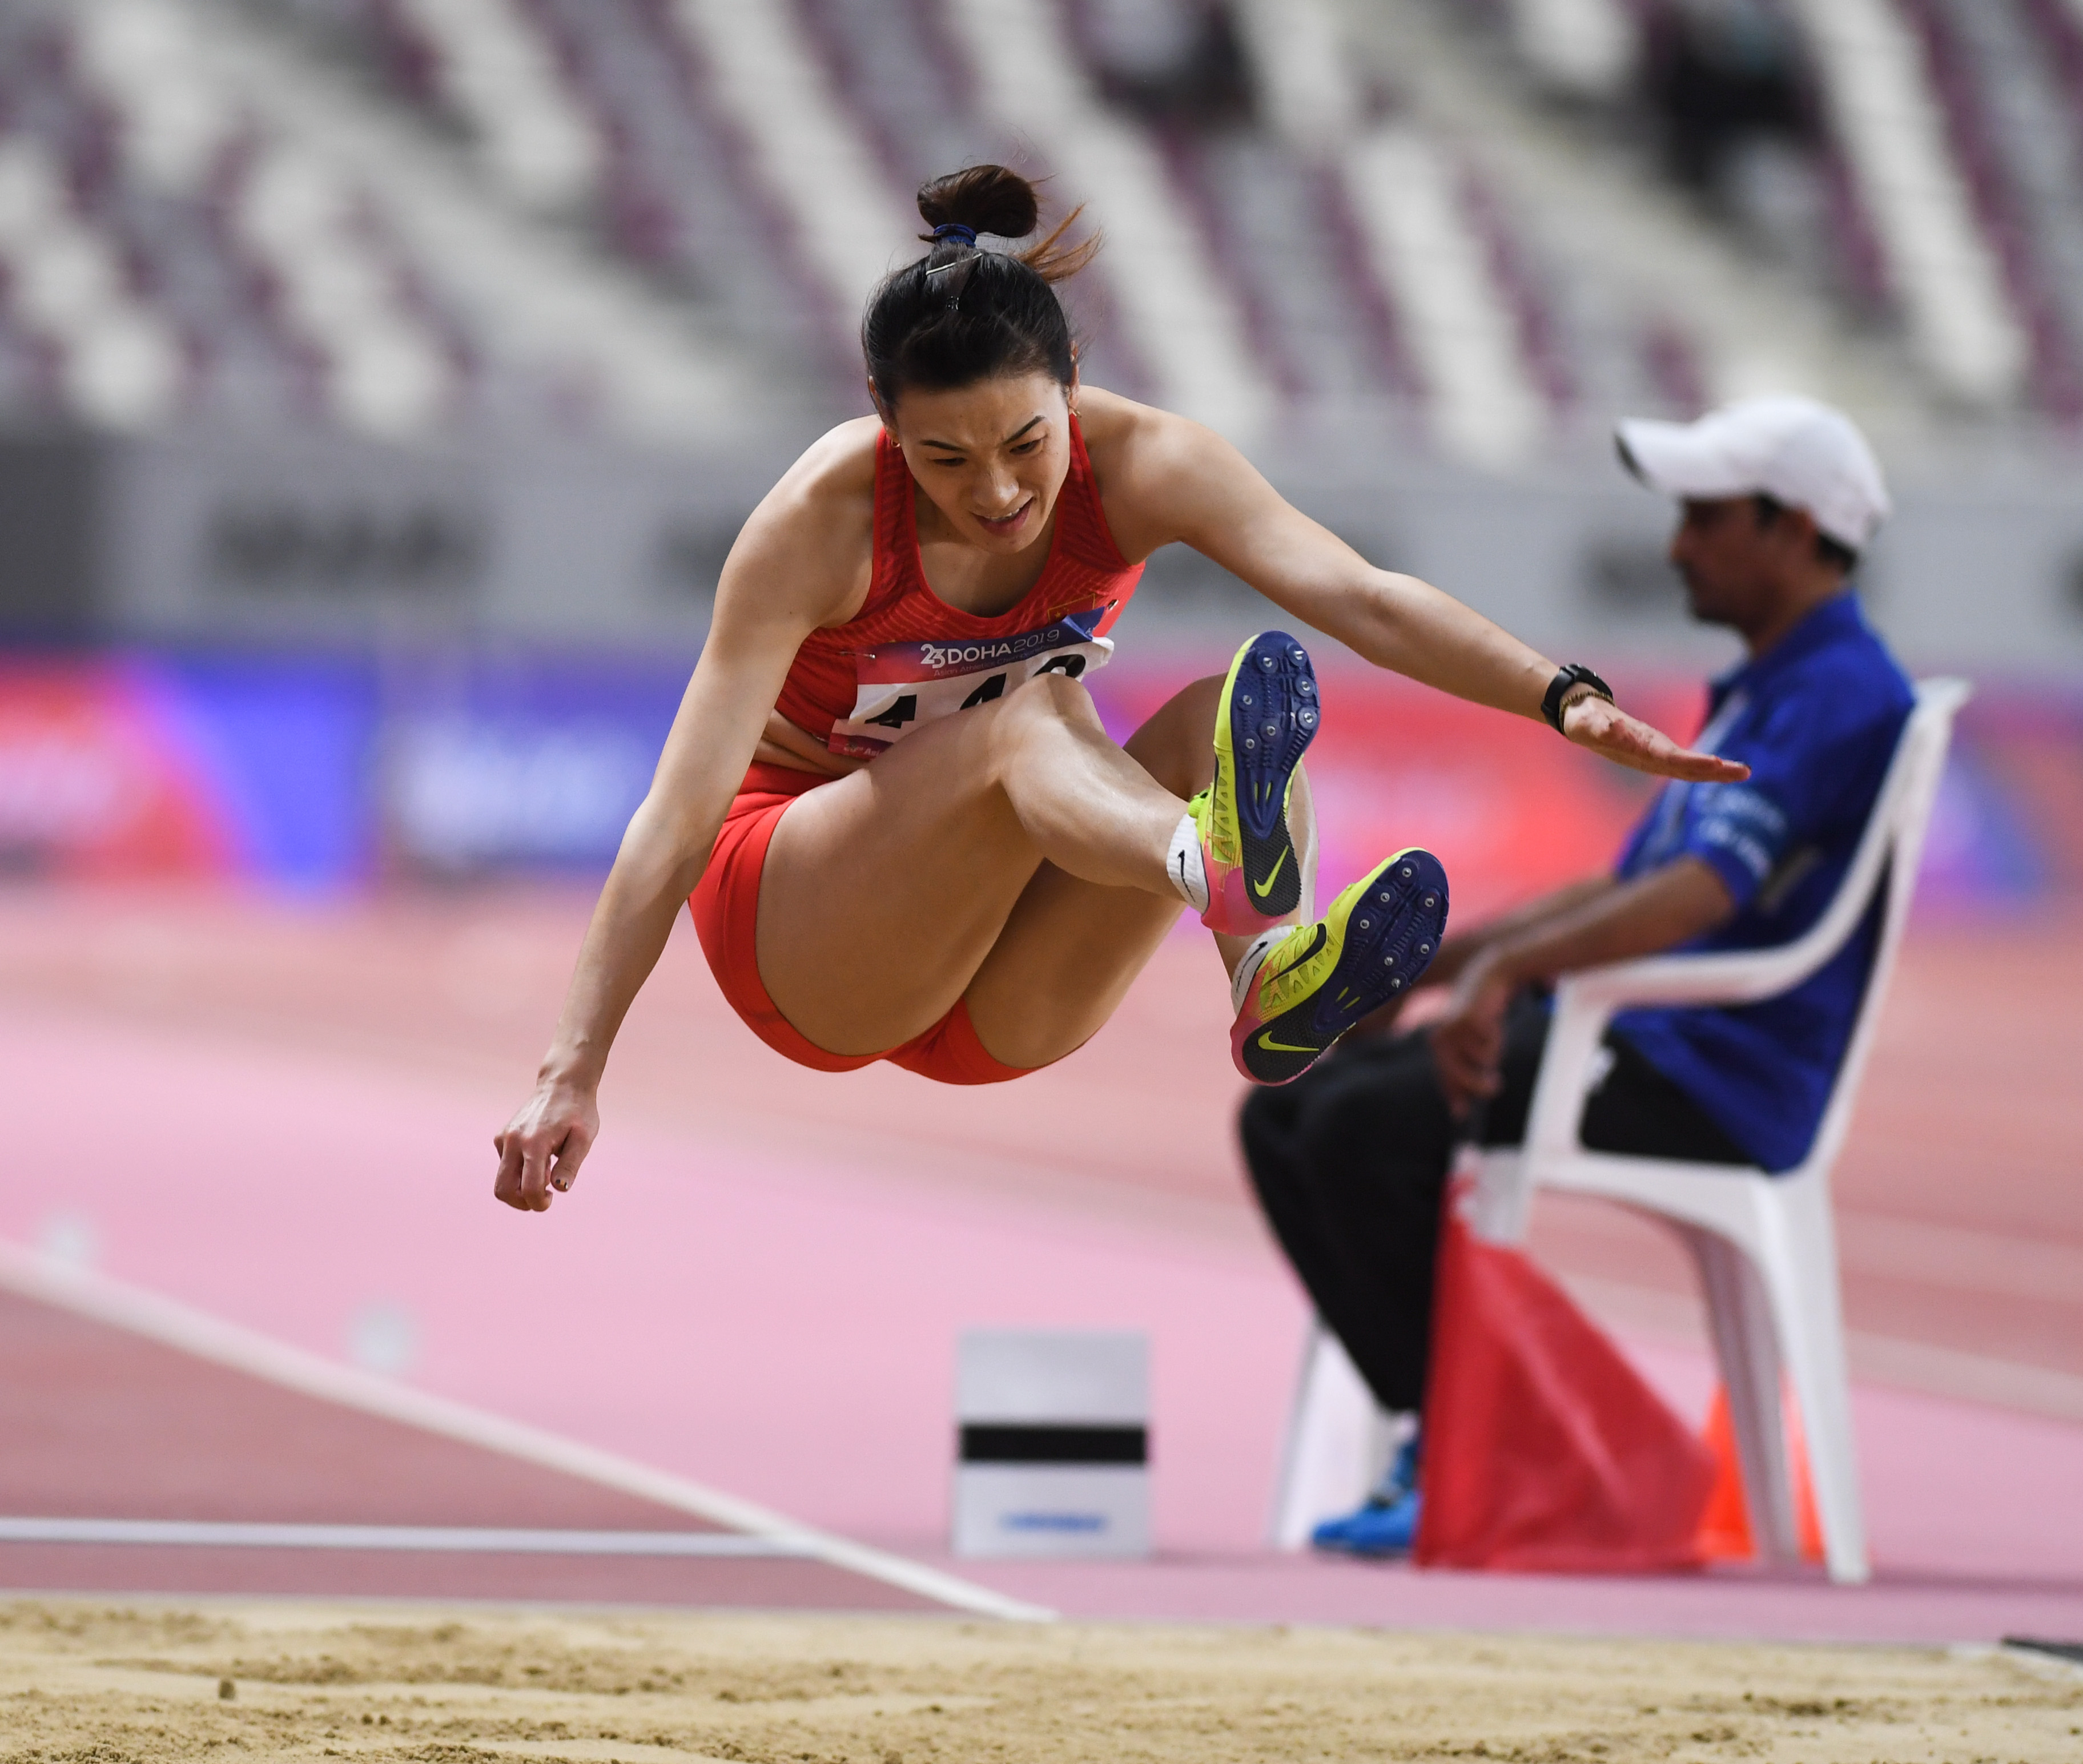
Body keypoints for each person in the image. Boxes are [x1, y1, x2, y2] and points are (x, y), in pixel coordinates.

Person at [492, 164, 1740, 1214]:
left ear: (1073, 381)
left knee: (1225, 711)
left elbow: (1360, 596)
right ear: (883, 420)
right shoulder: (818, 526)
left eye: (1028, 443)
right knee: (1032, 714)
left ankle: (1265, 974)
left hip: (1000, 990)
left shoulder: (1145, 464)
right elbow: (678, 811)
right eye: (944, 458)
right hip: (806, 943)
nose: (994, 492)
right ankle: (1223, 881)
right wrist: (572, 1064)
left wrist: (1565, 694)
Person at [1241, 394, 1915, 1557]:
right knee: (1289, 1116)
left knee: (1356, 1129)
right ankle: (1453, 1435)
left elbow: (1697, 898)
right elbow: (1625, 886)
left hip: (1710, 1070)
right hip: (1637, 1038)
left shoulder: (1840, 690)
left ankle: (1487, 1451)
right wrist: (1445, 965)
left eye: (1706, 517)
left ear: (1798, 530)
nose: (1677, 545)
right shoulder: (1770, 683)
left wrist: (1502, 972)